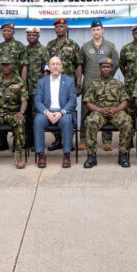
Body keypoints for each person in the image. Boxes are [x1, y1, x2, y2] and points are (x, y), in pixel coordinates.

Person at [82, 57, 133, 168]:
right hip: (99, 111)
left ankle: (123, 154)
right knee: (90, 121)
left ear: (112, 69)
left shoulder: (118, 83)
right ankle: (91, 156)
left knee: (127, 122)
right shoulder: (94, 83)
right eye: (104, 67)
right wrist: (99, 110)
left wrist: (115, 110)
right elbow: (87, 102)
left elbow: (125, 101)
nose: (106, 69)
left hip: (116, 111)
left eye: (108, 67)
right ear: (100, 68)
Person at [81, 20, 119, 151]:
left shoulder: (110, 46)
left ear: (103, 30)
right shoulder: (85, 46)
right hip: (89, 82)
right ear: (91, 31)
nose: (96, 32)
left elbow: (116, 62)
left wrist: (109, 75)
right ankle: (83, 139)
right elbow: (81, 64)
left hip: (105, 83)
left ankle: (107, 140)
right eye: (93, 30)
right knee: (86, 110)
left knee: (107, 107)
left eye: (98, 29)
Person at [0, 22, 28, 152]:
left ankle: (17, 143)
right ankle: (3, 141)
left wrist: (21, 83)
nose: (6, 33)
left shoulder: (20, 46)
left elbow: (24, 66)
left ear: (13, 32)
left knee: (15, 111)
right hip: (0, 84)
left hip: (15, 84)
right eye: (4, 31)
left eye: (9, 31)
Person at [46, 19, 83, 150]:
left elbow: (79, 64)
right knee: (53, 108)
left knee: (69, 111)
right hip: (54, 84)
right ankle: (58, 140)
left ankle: (68, 140)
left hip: (69, 85)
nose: (59, 29)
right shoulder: (50, 45)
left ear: (66, 28)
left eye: (62, 26)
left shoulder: (73, 44)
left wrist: (78, 83)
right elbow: (46, 66)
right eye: (57, 27)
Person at [33, 56, 77, 168]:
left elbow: (72, 101)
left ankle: (66, 155)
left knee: (67, 121)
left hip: (63, 113)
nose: (55, 66)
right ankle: (41, 155)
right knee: (38, 120)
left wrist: (61, 113)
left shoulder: (69, 81)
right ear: (49, 67)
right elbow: (37, 101)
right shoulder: (42, 82)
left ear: (61, 67)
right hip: (46, 112)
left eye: (58, 64)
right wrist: (47, 112)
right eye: (53, 64)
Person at [23, 26, 49, 151]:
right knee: (26, 117)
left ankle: (37, 142)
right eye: (29, 35)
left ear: (38, 36)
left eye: (34, 35)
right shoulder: (24, 50)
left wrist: (43, 87)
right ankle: (28, 140)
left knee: (36, 117)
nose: (31, 37)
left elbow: (46, 70)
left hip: (36, 89)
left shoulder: (43, 50)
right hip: (25, 89)